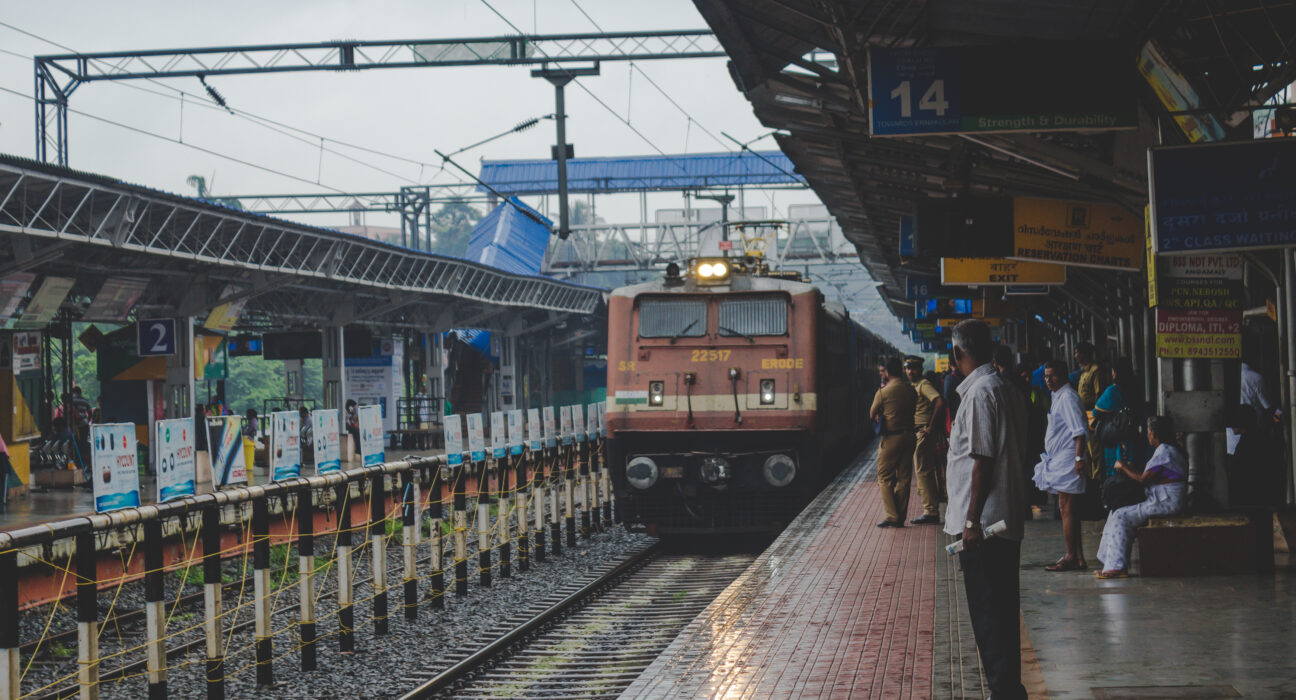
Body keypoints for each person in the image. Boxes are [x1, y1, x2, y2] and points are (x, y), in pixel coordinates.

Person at [946, 320, 1029, 700]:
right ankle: (1011, 690)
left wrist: (970, 522)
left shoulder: (980, 394)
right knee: (1003, 611)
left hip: (986, 529)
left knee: (989, 617)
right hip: (1004, 521)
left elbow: (982, 460)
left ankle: (1004, 693)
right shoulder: (1005, 388)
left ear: (959, 354)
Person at [1096, 415, 1188, 578]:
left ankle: (1117, 566)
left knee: (1121, 516)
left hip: (1166, 502)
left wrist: (1123, 467)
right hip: (1162, 498)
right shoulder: (1169, 449)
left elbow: (1143, 479)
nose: (1147, 434)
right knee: (1116, 511)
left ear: (1154, 433)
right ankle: (1109, 563)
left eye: (1149, 431)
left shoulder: (1164, 451)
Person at [1033, 359, 1090, 571]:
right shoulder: (1059, 396)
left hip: (1069, 460)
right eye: (1046, 376)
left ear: (1064, 375)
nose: (1048, 380)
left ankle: (1070, 556)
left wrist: (1078, 459)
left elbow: (1079, 431)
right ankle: (1078, 557)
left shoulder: (1067, 397)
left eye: (1053, 375)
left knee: (1067, 510)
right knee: (1069, 511)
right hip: (1062, 459)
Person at [870, 356, 917, 528]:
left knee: (885, 477)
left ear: (887, 373)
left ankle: (892, 515)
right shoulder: (911, 390)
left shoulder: (884, 392)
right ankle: (900, 517)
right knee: (904, 478)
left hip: (891, 438)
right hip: (909, 437)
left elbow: (872, 413)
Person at [904, 356, 945, 525]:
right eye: (907, 368)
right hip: (918, 432)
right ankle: (930, 509)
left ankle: (931, 512)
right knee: (923, 471)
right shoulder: (914, 386)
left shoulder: (924, 385)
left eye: (913, 368)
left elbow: (939, 402)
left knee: (923, 471)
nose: (910, 371)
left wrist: (930, 427)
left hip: (923, 432)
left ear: (920, 369)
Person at [1092, 357, 1145, 477]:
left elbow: (1096, 412)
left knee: (1117, 470)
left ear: (1115, 372)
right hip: (1134, 436)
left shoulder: (1112, 391)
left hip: (1116, 436)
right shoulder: (1136, 388)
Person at [1074, 342, 1103, 410]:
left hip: (1091, 411)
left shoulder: (1095, 370)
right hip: (1083, 410)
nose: (1075, 356)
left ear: (1084, 354)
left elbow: (1098, 394)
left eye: (1076, 353)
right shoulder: (1084, 371)